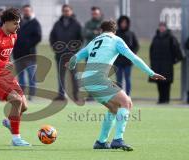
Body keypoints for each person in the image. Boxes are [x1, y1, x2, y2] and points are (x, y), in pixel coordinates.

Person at [67, 20, 165, 151]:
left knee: (114, 108)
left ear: (101, 30)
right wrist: (151, 73)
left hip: (87, 80)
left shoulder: (94, 41)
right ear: (114, 31)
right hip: (98, 78)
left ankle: (101, 142)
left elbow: (74, 58)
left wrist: (72, 65)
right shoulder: (116, 40)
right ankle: (118, 139)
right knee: (127, 102)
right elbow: (134, 58)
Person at [0, 8, 30, 146]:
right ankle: (16, 139)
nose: (18, 26)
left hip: (6, 74)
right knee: (16, 100)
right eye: (15, 23)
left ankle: (10, 121)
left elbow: (5, 55)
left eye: (19, 23)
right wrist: (5, 64)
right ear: (6, 23)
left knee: (24, 106)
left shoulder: (14, 35)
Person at [50, 4, 83, 101]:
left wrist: (74, 50)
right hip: (60, 55)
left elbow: (80, 39)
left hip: (72, 55)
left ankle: (76, 96)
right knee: (61, 76)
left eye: (68, 11)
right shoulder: (57, 24)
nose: (66, 12)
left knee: (74, 76)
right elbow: (52, 38)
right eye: (64, 11)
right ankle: (61, 95)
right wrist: (56, 48)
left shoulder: (77, 24)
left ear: (71, 12)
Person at [13, 4, 42, 101]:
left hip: (30, 55)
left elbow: (38, 37)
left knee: (31, 76)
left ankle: (32, 96)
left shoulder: (35, 23)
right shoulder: (18, 23)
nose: (26, 12)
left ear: (31, 11)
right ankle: (21, 95)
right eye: (24, 11)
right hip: (18, 55)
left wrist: (27, 45)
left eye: (28, 11)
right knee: (20, 77)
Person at [149, 22, 183, 104]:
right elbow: (152, 51)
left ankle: (166, 100)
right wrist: (152, 62)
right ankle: (161, 100)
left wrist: (174, 61)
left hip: (167, 65)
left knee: (166, 83)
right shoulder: (156, 37)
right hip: (157, 65)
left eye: (163, 26)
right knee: (159, 82)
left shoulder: (171, 38)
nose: (161, 28)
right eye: (160, 26)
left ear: (166, 28)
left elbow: (177, 51)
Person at [114, 15, 139, 96]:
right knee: (118, 80)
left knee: (127, 79)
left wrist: (132, 54)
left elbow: (136, 45)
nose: (123, 24)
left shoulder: (131, 34)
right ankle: (119, 96)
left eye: (125, 23)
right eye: (122, 22)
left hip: (128, 61)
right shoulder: (116, 33)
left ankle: (127, 96)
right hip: (118, 61)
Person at [83, 6, 103, 101]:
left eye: (96, 13)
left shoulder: (103, 24)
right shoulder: (88, 23)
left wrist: (95, 33)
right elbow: (84, 33)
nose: (94, 15)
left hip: (101, 53)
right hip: (90, 53)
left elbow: (104, 35)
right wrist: (95, 32)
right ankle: (91, 95)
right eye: (93, 13)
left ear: (99, 13)